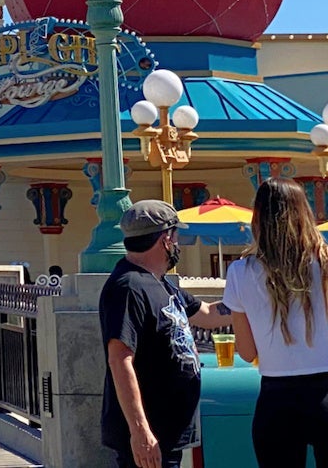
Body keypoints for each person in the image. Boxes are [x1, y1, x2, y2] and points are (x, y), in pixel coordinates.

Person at [101, 200, 230, 468]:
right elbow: (119, 359)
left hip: (167, 435)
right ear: (165, 239)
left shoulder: (160, 283)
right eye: (176, 236)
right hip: (150, 438)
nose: (178, 244)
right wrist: (140, 431)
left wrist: (250, 300)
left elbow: (207, 314)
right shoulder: (128, 287)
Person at [223, 178, 328, 466]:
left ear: (258, 218)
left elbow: (246, 352)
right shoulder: (325, 263)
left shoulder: (240, 272)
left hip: (277, 399)